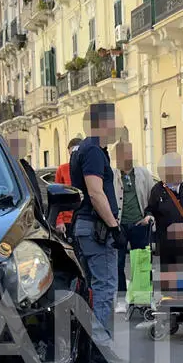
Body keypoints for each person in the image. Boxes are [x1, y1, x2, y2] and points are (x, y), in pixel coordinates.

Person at [70, 103, 123, 346]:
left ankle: (90, 344)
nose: (117, 127)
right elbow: (95, 193)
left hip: (88, 226)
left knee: (94, 289)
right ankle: (101, 348)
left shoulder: (87, 148)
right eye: (114, 122)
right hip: (97, 228)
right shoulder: (92, 151)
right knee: (104, 289)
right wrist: (114, 227)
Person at [146, 153, 183, 290]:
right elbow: (150, 209)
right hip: (168, 240)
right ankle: (172, 304)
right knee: (171, 276)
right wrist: (149, 216)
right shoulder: (157, 190)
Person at [113, 139, 155, 308]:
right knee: (118, 263)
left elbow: (152, 196)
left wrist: (149, 215)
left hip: (140, 224)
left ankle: (143, 297)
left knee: (142, 263)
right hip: (119, 226)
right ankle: (122, 298)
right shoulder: (112, 175)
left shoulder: (143, 173)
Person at [54, 138, 82, 233]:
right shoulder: (62, 169)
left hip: (85, 219)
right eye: (71, 155)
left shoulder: (89, 170)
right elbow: (56, 198)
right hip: (68, 221)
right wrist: (59, 221)